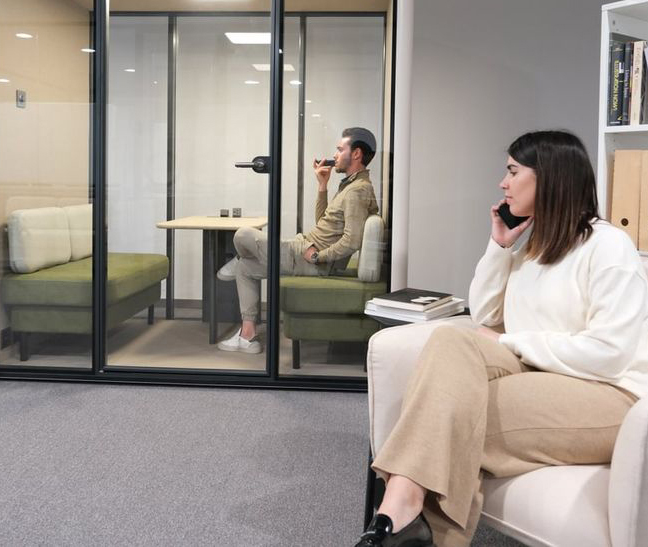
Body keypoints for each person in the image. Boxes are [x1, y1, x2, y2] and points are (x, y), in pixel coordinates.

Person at [354, 130, 648, 547]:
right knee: (451, 342)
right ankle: (404, 516)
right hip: (542, 372)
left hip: (612, 394)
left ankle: (397, 515)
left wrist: (508, 343)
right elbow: (486, 314)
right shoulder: (535, 246)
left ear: (549, 177)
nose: (502, 183)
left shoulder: (609, 247)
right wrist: (499, 246)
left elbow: (609, 354)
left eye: (512, 171)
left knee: (450, 420)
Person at [216, 127, 379, 354]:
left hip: (309, 260)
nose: (335, 155)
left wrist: (317, 256)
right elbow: (324, 222)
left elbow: (352, 240)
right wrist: (322, 186)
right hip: (305, 250)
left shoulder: (357, 191)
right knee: (245, 268)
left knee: (243, 234)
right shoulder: (350, 186)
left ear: (357, 154)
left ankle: (238, 258)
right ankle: (248, 336)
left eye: (340, 149)